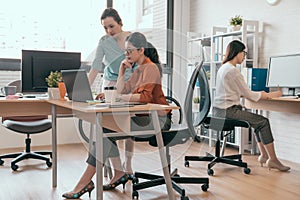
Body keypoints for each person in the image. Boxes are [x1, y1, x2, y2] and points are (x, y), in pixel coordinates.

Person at [62, 32, 172, 199]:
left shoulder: (150, 68)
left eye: (129, 51)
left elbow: (145, 98)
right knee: (105, 128)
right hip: (143, 118)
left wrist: (119, 97)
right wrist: (121, 71)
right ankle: (114, 174)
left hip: (158, 120)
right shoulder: (137, 70)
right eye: (125, 51)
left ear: (141, 50)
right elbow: (122, 90)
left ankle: (86, 181)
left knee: (105, 132)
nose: (126, 55)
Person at [212, 40, 290, 172]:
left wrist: (254, 94)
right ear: (237, 52)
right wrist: (273, 94)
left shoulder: (223, 68)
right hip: (228, 111)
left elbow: (237, 92)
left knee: (257, 122)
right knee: (263, 122)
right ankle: (273, 160)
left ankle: (264, 156)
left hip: (219, 111)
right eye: (244, 53)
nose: (244, 56)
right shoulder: (233, 71)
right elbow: (250, 95)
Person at [89, 7, 135, 181]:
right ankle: (118, 168)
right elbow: (95, 66)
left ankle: (128, 163)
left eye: (112, 26)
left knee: (128, 124)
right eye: (105, 28)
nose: (109, 31)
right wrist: (86, 87)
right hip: (109, 84)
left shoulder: (133, 39)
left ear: (120, 23)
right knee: (109, 123)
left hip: (129, 83)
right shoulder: (103, 41)